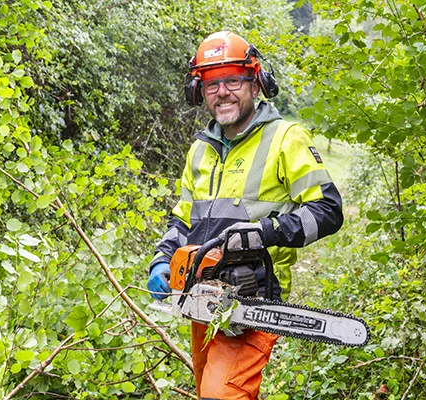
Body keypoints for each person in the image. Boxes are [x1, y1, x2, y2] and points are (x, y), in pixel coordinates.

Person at [147, 31, 343, 400]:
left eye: (233, 80)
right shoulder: (199, 151)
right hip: (201, 298)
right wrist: (162, 260)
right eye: (211, 84)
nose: (222, 92)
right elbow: (183, 221)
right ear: (199, 92)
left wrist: (264, 232)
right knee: (210, 389)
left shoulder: (285, 139)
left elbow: (328, 210)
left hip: (254, 299)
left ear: (256, 84)